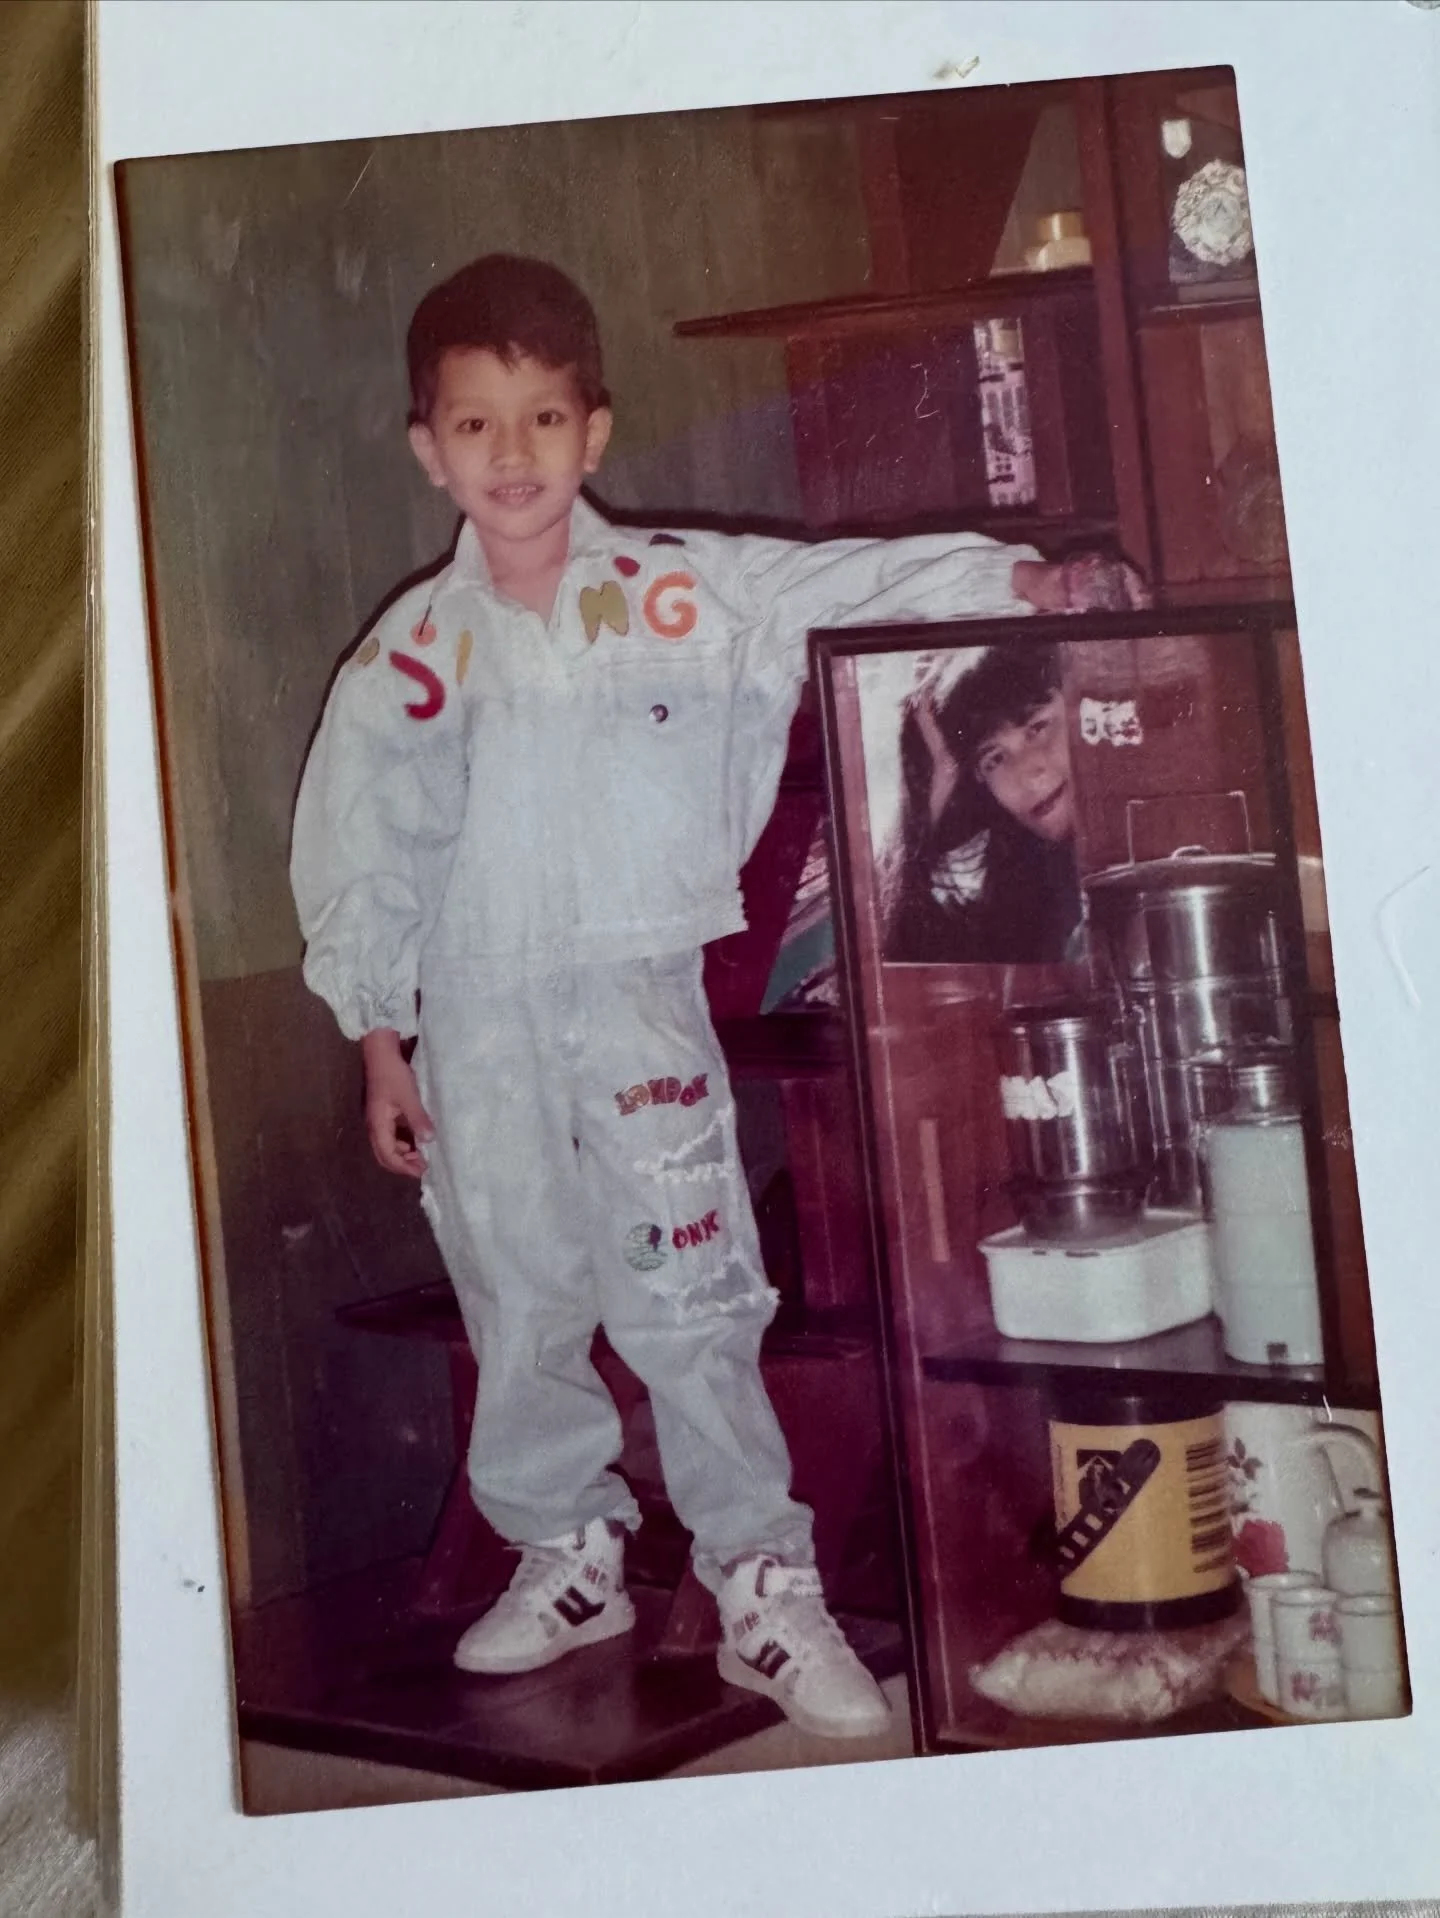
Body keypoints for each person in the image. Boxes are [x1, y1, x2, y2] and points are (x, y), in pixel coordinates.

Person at [290, 253, 1139, 1741]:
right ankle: (569, 1549)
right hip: (472, 1016)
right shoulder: (409, 663)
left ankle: (759, 1576)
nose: (512, 454)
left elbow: (849, 577)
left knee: (689, 1289)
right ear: (429, 447)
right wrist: (379, 1039)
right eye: (476, 424)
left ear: (594, 431)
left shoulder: (685, 594)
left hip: (639, 995)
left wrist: (1023, 579)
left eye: (543, 418)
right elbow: (361, 849)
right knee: (515, 1285)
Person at [881, 640, 1086, 965]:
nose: (1027, 773)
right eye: (995, 758)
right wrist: (942, 776)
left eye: (1037, 728)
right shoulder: (1014, 888)